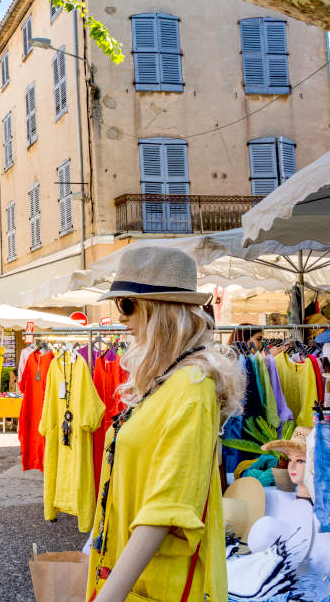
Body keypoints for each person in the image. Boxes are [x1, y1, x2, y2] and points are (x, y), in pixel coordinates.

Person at [88, 246, 245, 602]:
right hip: (131, 576)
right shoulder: (166, 382)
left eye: (126, 305)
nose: (121, 317)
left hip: (160, 584)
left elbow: (165, 510)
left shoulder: (193, 387)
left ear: (158, 310)